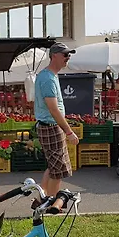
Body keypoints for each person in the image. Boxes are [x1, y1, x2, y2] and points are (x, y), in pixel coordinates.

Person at [35, 43, 79, 197]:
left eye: (69, 55)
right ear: (54, 56)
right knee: (57, 170)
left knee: (53, 166)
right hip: (50, 126)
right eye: (65, 55)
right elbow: (53, 109)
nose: (68, 58)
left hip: (50, 126)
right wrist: (69, 132)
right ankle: (51, 203)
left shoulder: (50, 75)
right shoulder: (48, 78)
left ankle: (42, 197)